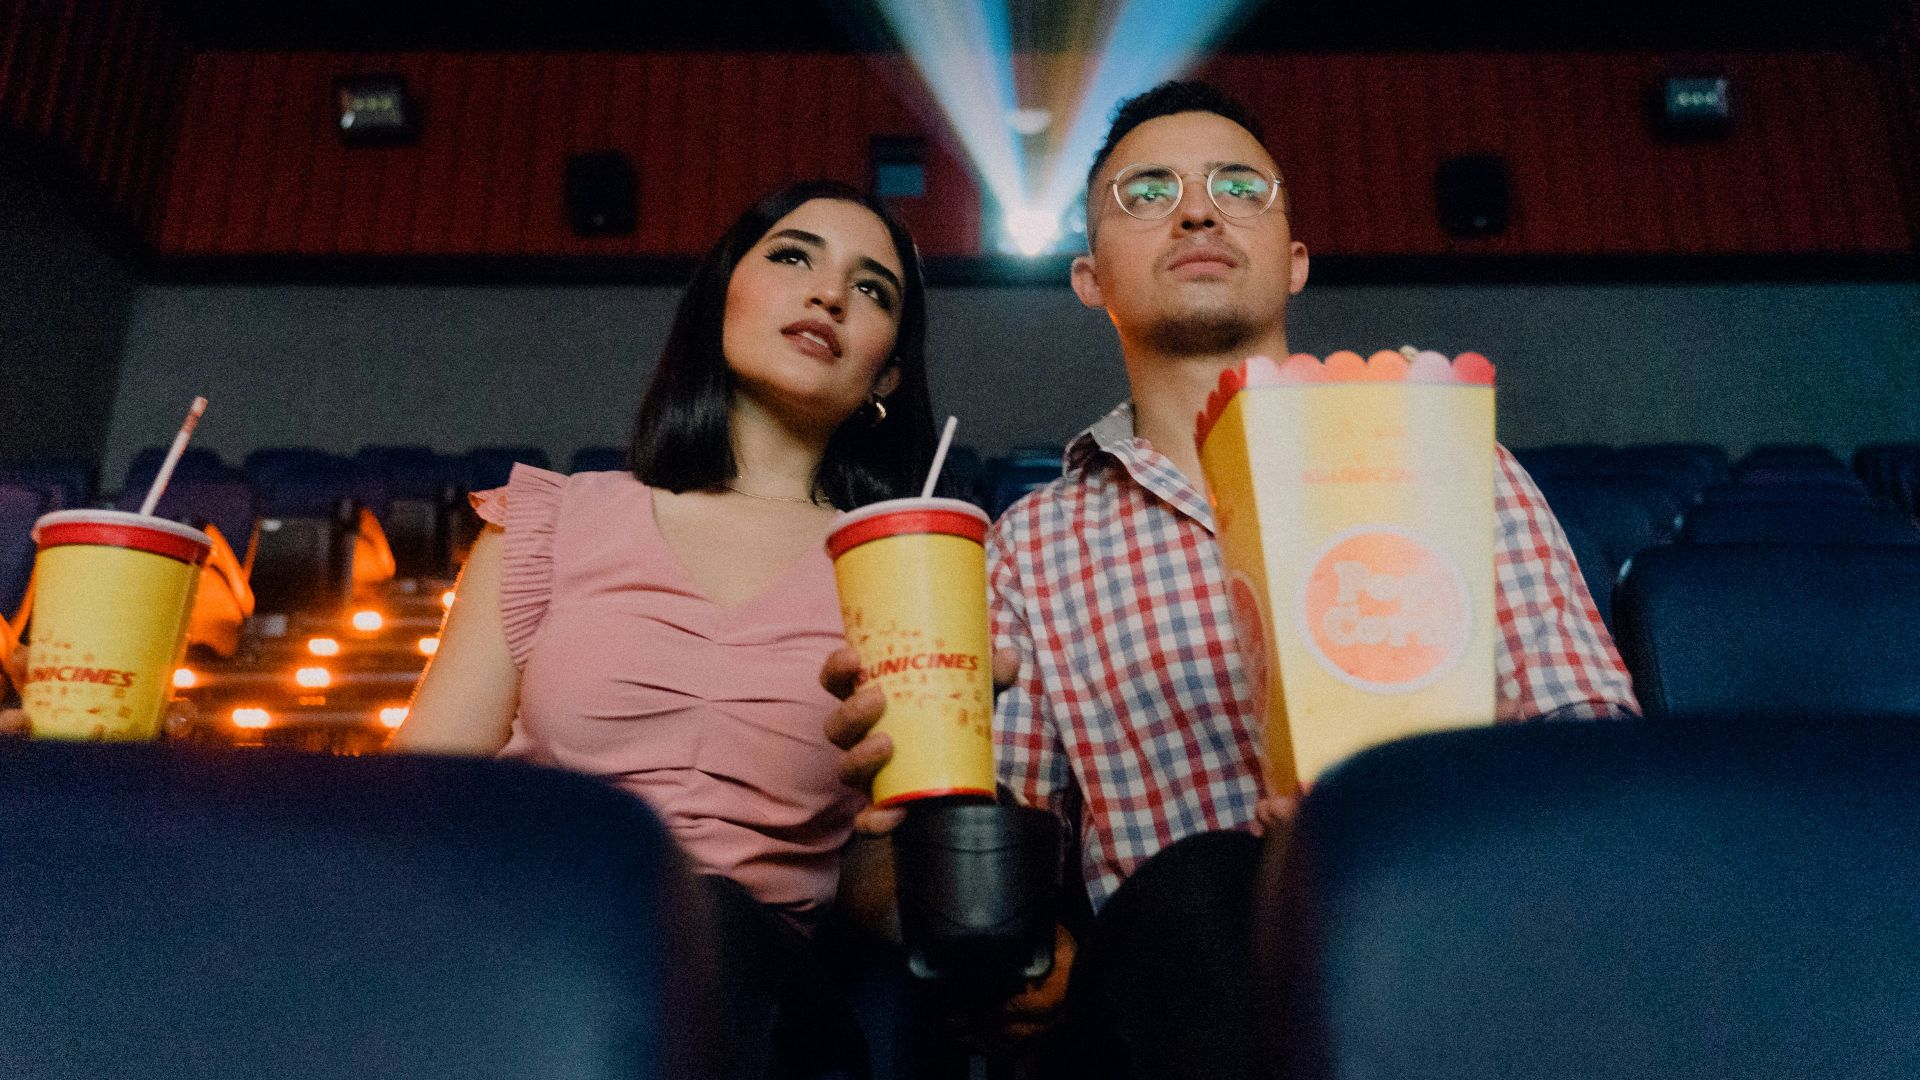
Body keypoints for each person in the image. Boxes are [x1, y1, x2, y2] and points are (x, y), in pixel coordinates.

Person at [824, 81, 1639, 1078]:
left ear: (1293, 259)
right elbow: (988, 868)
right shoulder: (1031, 547)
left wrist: (1396, 818)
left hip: (1457, 935)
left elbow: (1597, 756)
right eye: (1147, 193)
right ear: (1089, 278)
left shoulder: (1451, 459)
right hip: (1191, 984)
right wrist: (908, 810)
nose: (1198, 212)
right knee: (1206, 885)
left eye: (1239, 187)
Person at [394, 179, 940, 1079]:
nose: (829, 295)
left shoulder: (903, 574)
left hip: (760, 998)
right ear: (724, 294)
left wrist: (915, 824)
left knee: (712, 924)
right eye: (793, 257)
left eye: (871, 289)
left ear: (886, 374)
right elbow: (422, 802)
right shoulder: (551, 521)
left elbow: (882, 908)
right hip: (534, 950)